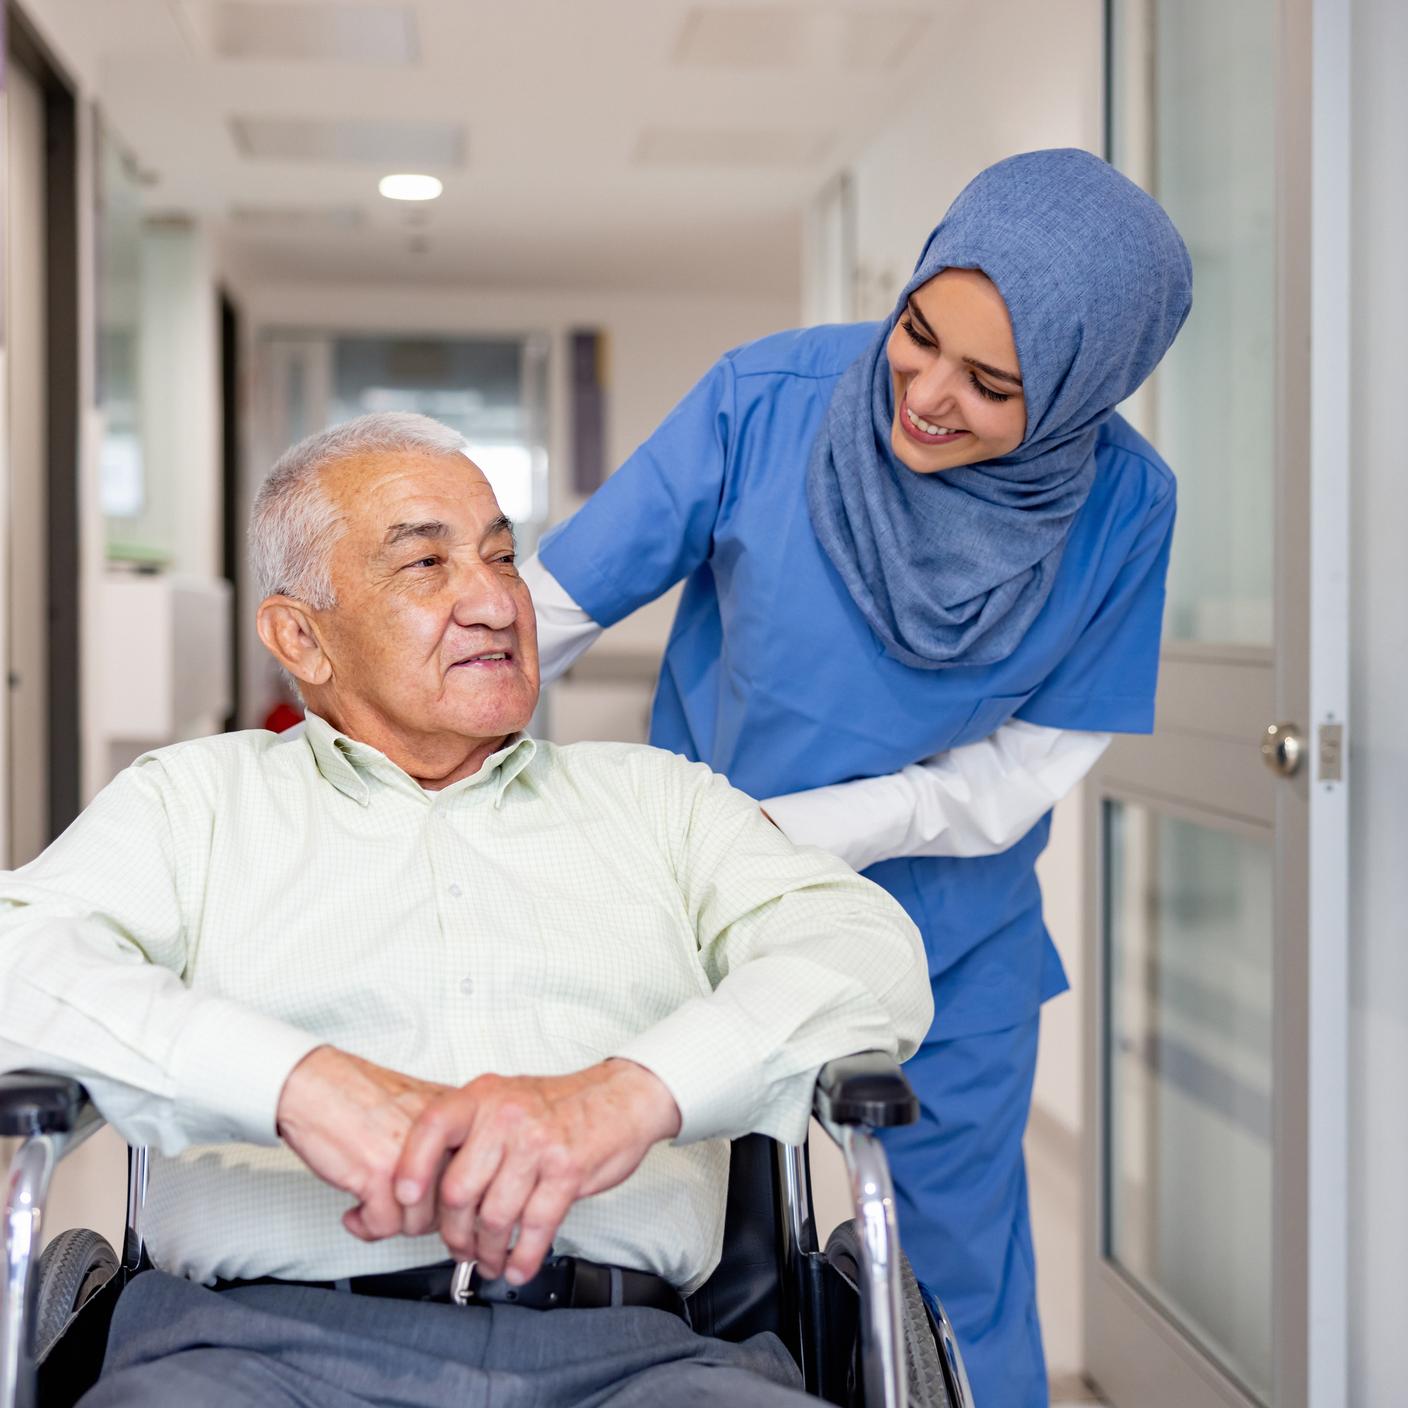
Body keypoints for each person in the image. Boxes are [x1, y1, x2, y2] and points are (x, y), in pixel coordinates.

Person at [0, 413, 932, 1408]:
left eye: (501, 556)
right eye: (425, 564)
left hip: (640, 1360)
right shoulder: (194, 802)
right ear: (300, 636)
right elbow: (20, 960)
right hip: (246, 1356)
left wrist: (630, 1094)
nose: (494, 601)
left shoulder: (660, 801)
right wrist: (294, 1083)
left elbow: (864, 951)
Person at [523, 148, 1193, 1407]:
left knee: (950, 1281)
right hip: (703, 914)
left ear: (1079, 389)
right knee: (668, 1246)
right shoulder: (766, 401)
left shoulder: (1123, 508)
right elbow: (548, 609)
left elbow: (1021, 774)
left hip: (949, 937)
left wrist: (797, 825)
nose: (926, 395)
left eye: (990, 384)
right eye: (917, 333)